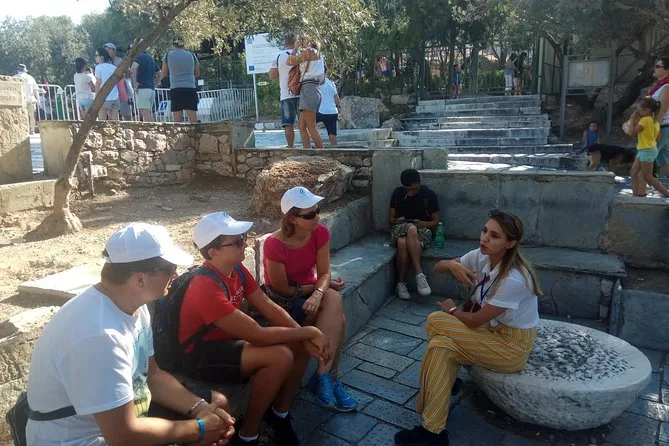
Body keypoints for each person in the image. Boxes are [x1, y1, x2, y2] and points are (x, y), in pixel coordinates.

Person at [25, 223, 235, 445]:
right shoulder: (100, 336)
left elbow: (152, 376)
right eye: (169, 268)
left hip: (118, 422)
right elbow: (123, 436)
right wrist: (198, 429)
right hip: (81, 439)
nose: (176, 274)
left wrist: (200, 409)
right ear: (139, 279)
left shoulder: (132, 305)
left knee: (216, 410)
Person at [180, 212, 331, 446]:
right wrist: (309, 332)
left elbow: (267, 306)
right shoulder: (205, 285)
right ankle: (248, 435)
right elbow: (256, 334)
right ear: (213, 252)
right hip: (200, 355)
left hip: (227, 340)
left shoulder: (237, 269)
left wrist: (302, 337)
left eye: (244, 237)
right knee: (280, 356)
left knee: (299, 345)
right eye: (238, 241)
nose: (245, 242)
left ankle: (280, 414)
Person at [395, 210, 541, 446]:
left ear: (510, 243)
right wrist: (451, 266)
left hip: (510, 348)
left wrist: (452, 310)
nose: (485, 238)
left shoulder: (514, 279)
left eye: (494, 236)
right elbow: (438, 267)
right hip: (490, 332)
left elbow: (474, 321)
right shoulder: (482, 256)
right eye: (484, 231)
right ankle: (433, 433)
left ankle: (444, 382)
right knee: (440, 347)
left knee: (436, 321)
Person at [262, 186, 358, 412]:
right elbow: (282, 288)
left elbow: (325, 273)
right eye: (310, 215)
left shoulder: (320, 233)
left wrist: (318, 292)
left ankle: (324, 377)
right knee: (339, 320)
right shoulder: (274, 243)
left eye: (318, 211)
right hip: (283, 299)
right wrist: (315, 289)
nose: (317, 217)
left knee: (332, 299)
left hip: (308, 292)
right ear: (292, 218)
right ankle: (329, 379)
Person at [389, 169, 440, 300]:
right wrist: (397, 220)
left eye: (414, 189)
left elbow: (435, 222)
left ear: (419, 182)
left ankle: (401, 283)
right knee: (410, 229)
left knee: (402, 242)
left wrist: (422, 223)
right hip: (400, 228)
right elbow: (391, 219)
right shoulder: (398, 193)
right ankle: (419, 274)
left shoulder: (429, 195)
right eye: (408, 190)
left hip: (422, 231)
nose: (410, 192)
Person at [287, 37, 325, 149]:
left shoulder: (308, 52)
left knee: (311, 126)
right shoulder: (319, 54)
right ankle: (307, 150)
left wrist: (295, 49)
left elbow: (289, 61)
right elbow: (322, 79)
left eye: (302, 39)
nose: (300, 41)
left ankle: (322, 152)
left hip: (308, 88)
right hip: (313, 88)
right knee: (302, 126)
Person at [629, 98, 669, 197]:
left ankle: (667, 193)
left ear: (646, 110)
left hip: (647, 150)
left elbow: (632, 133)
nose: (637, 112)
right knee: (633, 173)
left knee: (647, 176)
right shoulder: (655, 121)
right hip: (647, 149)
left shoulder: (645, 120)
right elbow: (658, 137)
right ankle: (635, 196)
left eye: (638, 110)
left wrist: (632, 119)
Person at [269, 33, 299, 148]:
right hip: (302, 93)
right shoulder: (302, 54)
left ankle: (291, 146)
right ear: (296, 42)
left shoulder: (279, 56)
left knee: (288, 124)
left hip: (286, 94)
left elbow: (272, 76)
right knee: (305, 123)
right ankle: (307, 146)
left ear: (284, 42)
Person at [162, 39, 200, 123]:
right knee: (193, 119)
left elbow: (164, 73)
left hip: (176, 88)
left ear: (173, 44)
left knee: (177, 121)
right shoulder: (192, 55)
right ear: (184, 44)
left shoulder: (168, 55)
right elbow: (197, 73)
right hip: (190, 87)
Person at [649, 57, 669, 177]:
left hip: (662, 127)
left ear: (667, 70)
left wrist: (653, 128)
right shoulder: (660, 86)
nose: (654, 68)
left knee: (645, 155)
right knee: (665, 160)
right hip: (662, 127)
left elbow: (662, 109)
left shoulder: (667, 87)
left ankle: (641, 185)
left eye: (657, 66)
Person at [104, 42, 133, 120]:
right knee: (112, 113)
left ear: (114, 50)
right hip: (111, 91)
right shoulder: (105, 63)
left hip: (121, 90)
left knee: (125, 112)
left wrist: (122, 75)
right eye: (105, 49)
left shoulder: (121, 61)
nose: (107, 51)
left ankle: (128, 125)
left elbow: (130, 72)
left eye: (109, 49)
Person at [132, 49, 161, 122]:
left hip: (142, 89)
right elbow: (160, 73)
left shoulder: (139, 57)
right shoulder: (151, 58)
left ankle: (153, 128)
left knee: (145, 113)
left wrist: (135, 82)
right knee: (147, 113)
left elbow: (133, 67)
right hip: (151, 90)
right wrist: (155, 85)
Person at [94, 47, 120, 121]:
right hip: (115, 96)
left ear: (102, 57)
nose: (95, 57)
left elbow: (98, 83)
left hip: (104, 97)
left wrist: (97, 96)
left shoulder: (98, 67)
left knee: (102, 120)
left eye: (96, 55)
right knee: (115, 120)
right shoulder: (113, 67)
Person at [316, 66, 340, 146]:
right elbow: (337, 101)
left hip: (320, 111)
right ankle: (335, 150)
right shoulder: (331, 83)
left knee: (305, 124)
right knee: (332, 134)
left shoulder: (316, 82)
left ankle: (315, 144)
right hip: (333, 112)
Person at [14, 64, 39, 134]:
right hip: (31, 99)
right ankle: (32, 130)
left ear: (18, 70)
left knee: (20, 115)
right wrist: (38, 99)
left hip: (19, 100)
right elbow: (35, 89)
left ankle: (23, 130)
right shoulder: (30, 77)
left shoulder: (14, 77)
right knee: (32, 115)